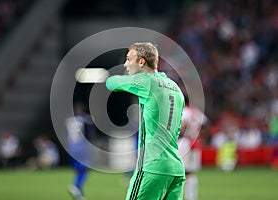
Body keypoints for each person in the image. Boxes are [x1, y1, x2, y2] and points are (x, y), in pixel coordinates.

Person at [106, 42, 186, 200]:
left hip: (152, 167)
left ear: (141, 62)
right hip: (176, 170)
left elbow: (111, 83)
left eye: (129, 59)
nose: (125, 64)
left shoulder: (145, 81)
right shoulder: (176, 88)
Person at [178, 95, 208, 200]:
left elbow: (183, 125)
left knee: (182, 171)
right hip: (195, 143)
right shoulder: (196, 112)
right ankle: (192, 197)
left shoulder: (184, 111)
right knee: (191, 173)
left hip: (184, 143)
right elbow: (205, 124)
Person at [65, 102, 95, 200]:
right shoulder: (85, 119)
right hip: (81, 146)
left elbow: (65, 135)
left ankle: (79, 194)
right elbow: (90, 134)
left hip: (71, 147)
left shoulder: (68, 121)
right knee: (85, 170)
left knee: (79, 170)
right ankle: (76, 186)